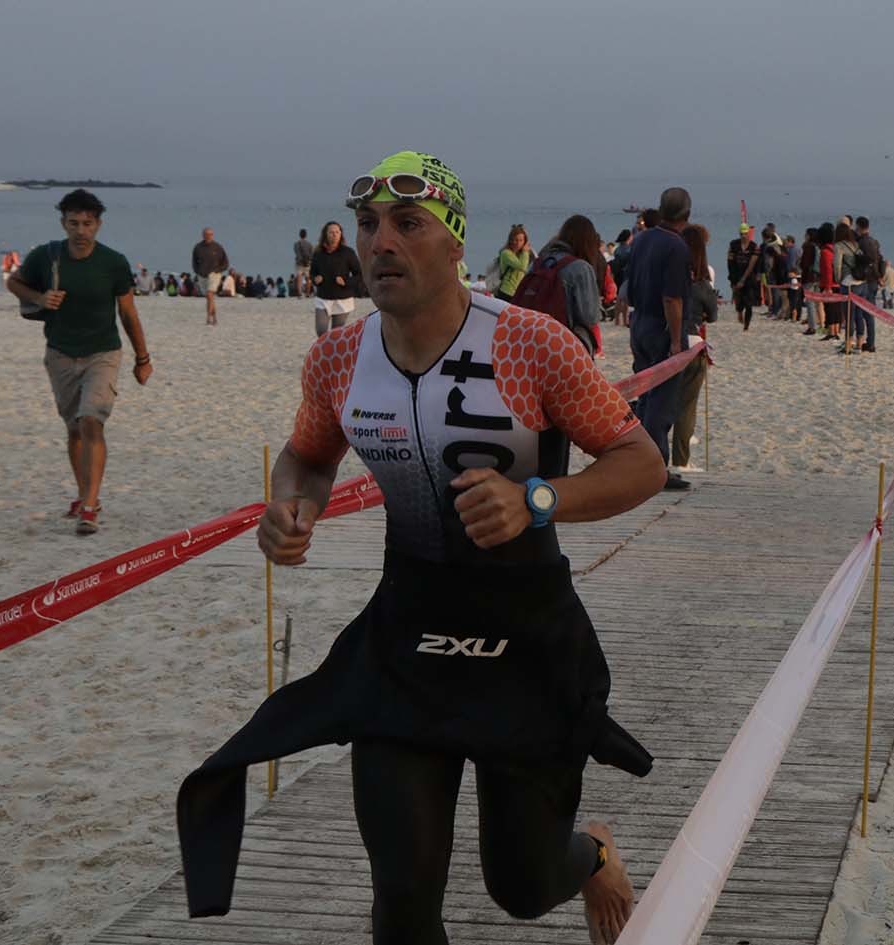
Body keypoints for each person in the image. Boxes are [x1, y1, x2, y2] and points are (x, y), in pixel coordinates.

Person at [176, 150, 663, 945]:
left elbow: (641, 463)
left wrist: (537, 499)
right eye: (368, 225)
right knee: (401, 900)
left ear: (455, 243)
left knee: (523, 884)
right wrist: (291, 506)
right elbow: (307, 457)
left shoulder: (532, 344)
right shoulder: (338, 358)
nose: (380, 243)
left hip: (526, 640)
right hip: (408, 639)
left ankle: (593, 850)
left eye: (408, 224)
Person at [4, 189, 153, 535]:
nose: (81, 230)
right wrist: (40, 297)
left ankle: (90, 505)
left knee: (91, 421)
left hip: (103, 352)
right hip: (59, 354)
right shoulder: (46, 256)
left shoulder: (113, 262)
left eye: (87, 223)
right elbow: (14, 282)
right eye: (74, 223)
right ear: (63, 223)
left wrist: (142, 358)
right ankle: (84, 494)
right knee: (73, 429)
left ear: (98, 224)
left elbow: (128, 312)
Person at [624, 188, 694, 489]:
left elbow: (628, 282)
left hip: (639, 320)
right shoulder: (676, 247)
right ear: (687, 214)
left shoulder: (642, 239)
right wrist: (676, 341)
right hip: (661, 326)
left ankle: (636, 460)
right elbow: (672, 298)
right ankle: (654, 468)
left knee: (644, 394)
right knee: (661, 401)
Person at [526, 215, 603, 355]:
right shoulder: (580, 268)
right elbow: (590, 316)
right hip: (565, 346)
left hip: (533, 341)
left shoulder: (539, 262)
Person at [672, 224, 715, 472]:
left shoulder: (670, 280)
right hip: (692, 344)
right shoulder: (702, 284)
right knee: (687, 406)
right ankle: (681, 460)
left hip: (668, 341)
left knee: (664, 402)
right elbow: (713, 315)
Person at [310, 220, 361, 336]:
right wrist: (315, 279)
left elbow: (359, 274)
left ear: (341, 234)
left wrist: (346, 282)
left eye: (337, 232)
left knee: (336, 334)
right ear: (326, 234)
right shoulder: (318, 253)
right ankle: (325, 347)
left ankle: (332, 348)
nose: (334, 235)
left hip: (342, 299)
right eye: (331, 232)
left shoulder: (348, 252)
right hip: (323, 298)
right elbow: (312, 272)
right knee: (321, 330)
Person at [853, 217, 883, 351]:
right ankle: (870, 341)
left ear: (858, 227)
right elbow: (880, 259)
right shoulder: (874, 241)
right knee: (868, 311)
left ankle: (869, 342)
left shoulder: (862, 242)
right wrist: (880, 275)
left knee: (865, 312)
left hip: (867, 279)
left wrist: (859, 259)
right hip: (874, 279)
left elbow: (871, 260)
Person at [833, 221, 862, 353]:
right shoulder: (855, 244)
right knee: (859, 314)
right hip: (860, 281)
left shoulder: (839, 246)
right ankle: (859, 343)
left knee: (848, 314)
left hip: (848, 281)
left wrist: (838, 279)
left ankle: (848, 343)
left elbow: (837, 265)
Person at [191, 227, 229, 326]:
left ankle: (208, 318)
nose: (208, 236)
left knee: (209, 294)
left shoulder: (218, 247)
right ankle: (214, 318)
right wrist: (197, 271)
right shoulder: (198, 247)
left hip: (214, 274)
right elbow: (194, 262)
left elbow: (225, 263)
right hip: (202, 275)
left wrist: (217, 270)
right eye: (206, 234)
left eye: (210, 234)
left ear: (213, 235)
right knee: (209, 297)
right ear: (203, 235)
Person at [727, 223, 760, 330]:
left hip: (749, 277)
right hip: (736, 275)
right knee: (739, 300)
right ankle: (739, 312)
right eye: (742, 234)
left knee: (749, 303)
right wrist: (732, 279)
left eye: (745, 234)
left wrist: (743, 279)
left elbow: (752, 264)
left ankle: (746, 326)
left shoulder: (754, 246)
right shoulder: (733, 244)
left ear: (748, 234)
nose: (743, 236)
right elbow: (730, 262)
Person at [496, 224, 532, 302]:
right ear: (510, 240)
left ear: (524, 241)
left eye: (521, 240)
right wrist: (525, 251)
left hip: (519, 292)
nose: (518, 243)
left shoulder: (522, 255)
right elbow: (522, 267)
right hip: (506, 291)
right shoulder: (506, 253)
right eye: (515, 240)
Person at [294, 229, 314, 297]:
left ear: (300, 235)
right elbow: (311, 254)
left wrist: (300, 259)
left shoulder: (296, 244)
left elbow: (297, 253)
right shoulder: (309, 244)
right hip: (307, 263)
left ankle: (299, 293)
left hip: (299, 263)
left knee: (299, 278)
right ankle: (307, 293)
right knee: (308, 279)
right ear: (306, 235)